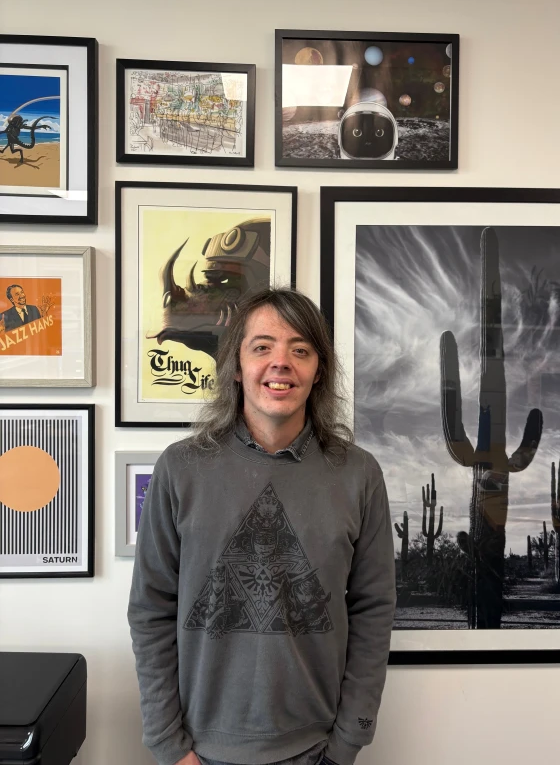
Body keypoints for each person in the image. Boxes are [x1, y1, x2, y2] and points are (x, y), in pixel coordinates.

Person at [128, 287, 397, 765]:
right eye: (262, 347)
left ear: (319, 372)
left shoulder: (359, 475)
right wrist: (169, 745)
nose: (281, 363)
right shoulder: (180, 469)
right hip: (200, 750)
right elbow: (151, 611)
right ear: (236, 367)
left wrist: (348, 742)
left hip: (318, 750)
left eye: (300, 350)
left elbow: (374, 612)